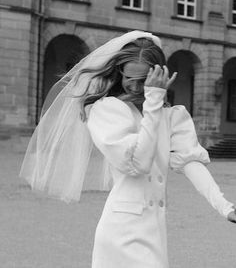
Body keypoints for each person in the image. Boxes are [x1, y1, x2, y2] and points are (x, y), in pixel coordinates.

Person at [20, 30, 236, 268]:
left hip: (154, 230)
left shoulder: (172, 116)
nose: (134, 86)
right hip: (119, 232)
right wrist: (154, 101)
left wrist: (225, 206)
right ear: (118, 74)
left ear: (160, 74)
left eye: (143, 80)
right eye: (128, 78)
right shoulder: (106, 110)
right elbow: (137, 164)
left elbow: (190, 163)